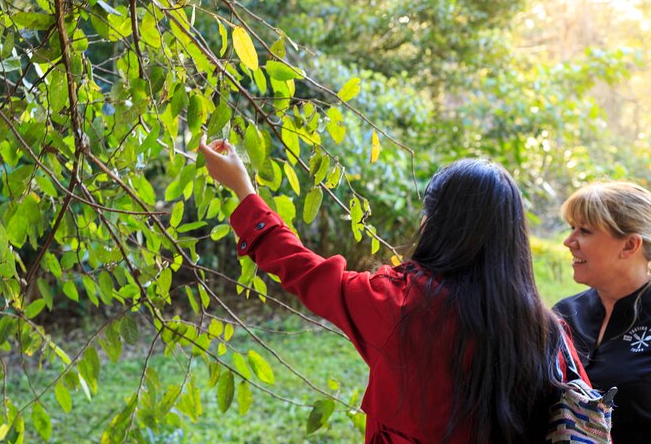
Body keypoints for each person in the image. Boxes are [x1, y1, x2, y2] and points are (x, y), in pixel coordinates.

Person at [198, 138, 587, 443]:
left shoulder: (398, 304)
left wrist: (243, 189)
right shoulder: (547, 332)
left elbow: (303, 269)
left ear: (436, 223)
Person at [554, 181, 651, 443]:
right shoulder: (563, 315)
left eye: (584, 230)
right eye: (572, 228)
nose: (569, 241)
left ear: (630, 245)